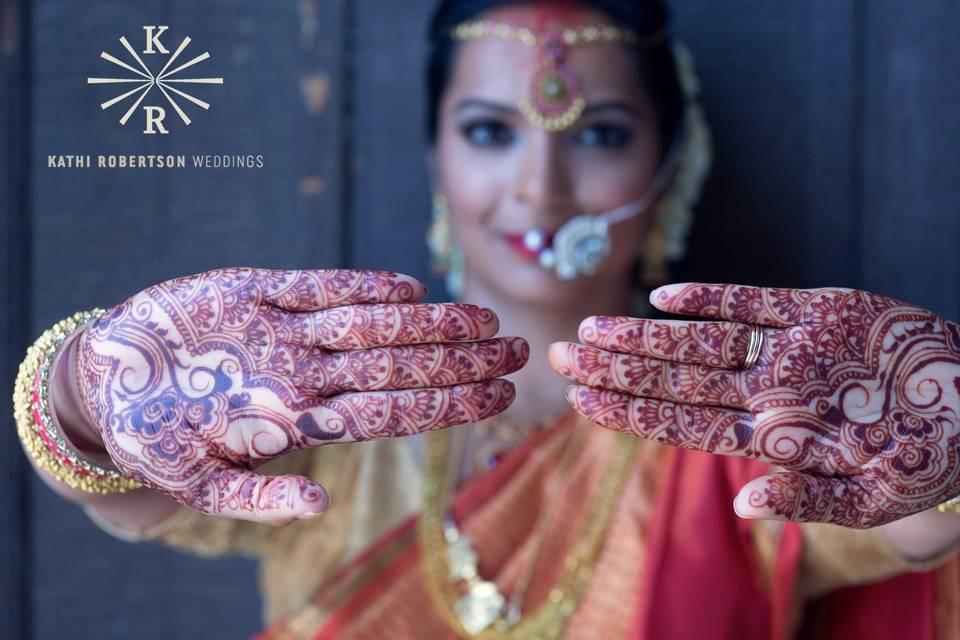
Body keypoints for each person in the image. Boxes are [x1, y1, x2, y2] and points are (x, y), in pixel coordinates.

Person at [14, 1, 960, 638]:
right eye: (488, 131)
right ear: (435, 156)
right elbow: (131, 496)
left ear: (673, 160)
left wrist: (945, 432)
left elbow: (912, 528)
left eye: (598, 136)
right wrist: (91, 389)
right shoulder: (328, 395)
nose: (539, 189)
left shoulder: (756, 411)